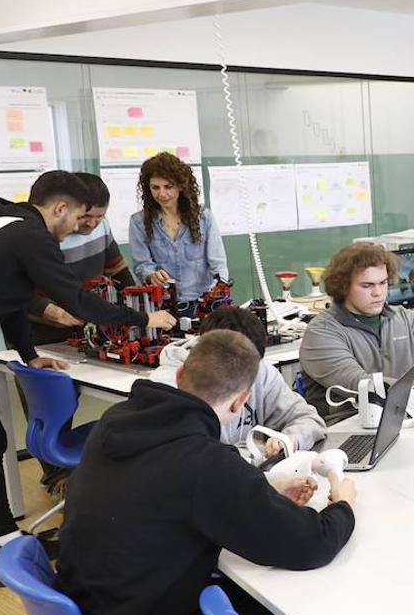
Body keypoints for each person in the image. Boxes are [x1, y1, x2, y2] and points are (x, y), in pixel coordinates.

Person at [57, 330, 356, 615]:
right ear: (241, 403)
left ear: (180, 375)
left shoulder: (117, 424)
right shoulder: (203, 461)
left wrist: (260, 492)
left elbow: (163, 498)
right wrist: (343, 505)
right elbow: (310, 544)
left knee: (241, 599)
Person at [0, 170, 176, 588]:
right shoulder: (32, 236)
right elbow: (75, 299)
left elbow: (14, 300)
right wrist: (144, 318)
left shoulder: (9, 227)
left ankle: (5, 539)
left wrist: (30, 355)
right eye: (77, 219)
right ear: (59, 209)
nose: (79, 228)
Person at [299, 242, 414, 419]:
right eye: (367, 286)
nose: (378, 293)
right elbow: (363, 386)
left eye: (383, 283)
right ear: (343, 287)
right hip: (349, 428)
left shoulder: (405, 318)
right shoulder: (320, 333)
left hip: (408, 416)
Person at [154, 305, 325, 455]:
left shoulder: (260, 370)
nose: (241, 376)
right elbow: (186, 458)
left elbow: (308, 419)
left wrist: (289, 439)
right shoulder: (168, 388)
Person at [27, 172, 137, 345]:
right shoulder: (47, 236)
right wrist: (51, 312)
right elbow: (19, 291)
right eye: (85, 216)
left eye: (100, 217)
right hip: (45, 330)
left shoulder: (102, 228)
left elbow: (117, 270)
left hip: (88, 322)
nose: (92, 224)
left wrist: (135, 306)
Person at [129, 152, 228, 314]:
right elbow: (142, 265)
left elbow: (218, 264)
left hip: (203, 304)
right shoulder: (138, 222)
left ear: (181, 186)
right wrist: (151, 275)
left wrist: (220, 292)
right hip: (163, 306)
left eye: (168, 187)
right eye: (155, 187)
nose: (162, 194)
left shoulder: (203, 217)